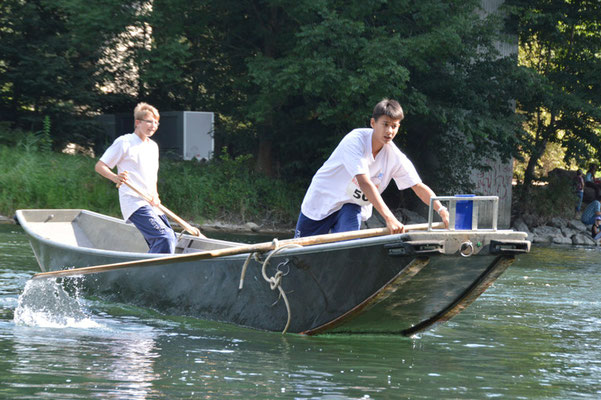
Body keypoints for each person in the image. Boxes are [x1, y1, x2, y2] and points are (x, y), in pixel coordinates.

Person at [294, 98, 450, 238]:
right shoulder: (355, 141)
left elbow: (417, 186)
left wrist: (441, 210)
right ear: (373, 123)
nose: (389, 131)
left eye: (394, 126)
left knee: (348, 246)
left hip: (351, 205)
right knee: (298, 256)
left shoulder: (394, 155)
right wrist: (389, 218)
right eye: (385, 124)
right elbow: (364, 182)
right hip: (322, 201)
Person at [94, 102, 177, 254]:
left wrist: (156, 196)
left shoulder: (153, 146)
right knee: (165, 238)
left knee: (172, 239)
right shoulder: (124, 142)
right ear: (138, 123)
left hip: (151, 202)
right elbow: (100, 166)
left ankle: (151, 268)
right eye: (150, 121)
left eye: (156, 122)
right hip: (134, 202)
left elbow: (152, 176)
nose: (154, 125)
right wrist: (115, 177)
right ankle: (149, 273)